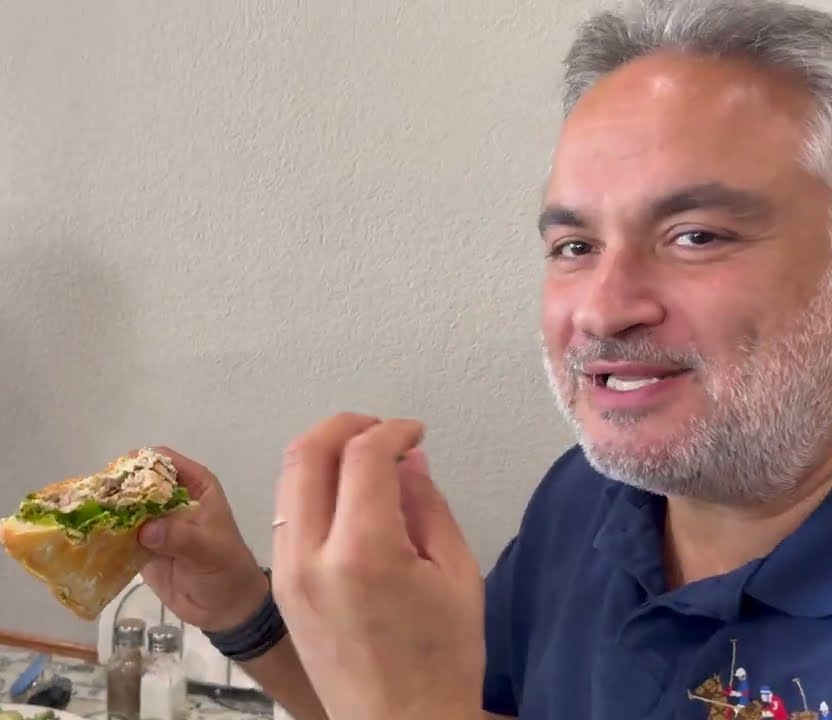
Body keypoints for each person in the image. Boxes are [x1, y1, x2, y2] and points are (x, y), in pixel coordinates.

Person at [131, 1, 832, 718]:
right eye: (576, 247)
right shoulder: (585, 502)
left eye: (696, 236)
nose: (601, 309)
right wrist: (241, 610)